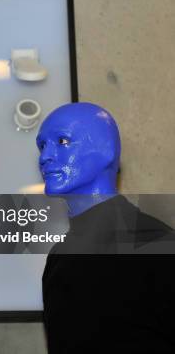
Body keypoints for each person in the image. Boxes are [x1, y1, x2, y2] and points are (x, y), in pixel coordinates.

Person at [36, 102, 175, 353]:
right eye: (42, 145)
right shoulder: (60, 257)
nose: (45, 157)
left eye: (62, 142)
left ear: (106, 151)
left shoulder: (157, 247)